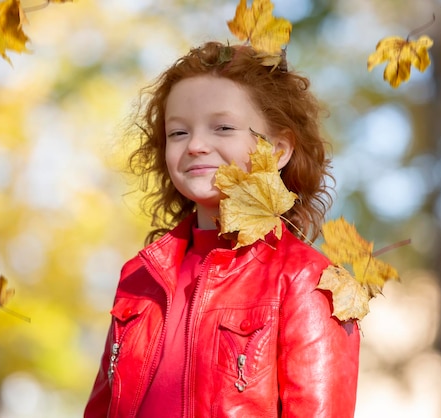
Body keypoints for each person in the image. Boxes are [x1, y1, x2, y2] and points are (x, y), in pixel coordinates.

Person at [84, 41, 360, 418]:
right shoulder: (139, 276)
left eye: (223, 127)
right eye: (178, 133)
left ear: (278, 150)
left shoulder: (307, 279)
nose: (196, 145)